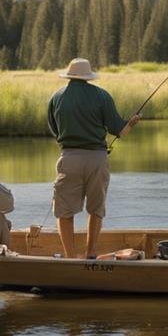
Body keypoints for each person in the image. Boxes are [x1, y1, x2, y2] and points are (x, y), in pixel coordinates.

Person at [48, 57, 139, 258]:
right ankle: (90, 254)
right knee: (96, 207)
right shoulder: (102, 96)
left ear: (70, 75)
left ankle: (70, 257)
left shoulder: (56, 98)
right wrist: (131, 123)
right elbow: (120, 131)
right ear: (88, 76)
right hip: (97, 159)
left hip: (69, 157)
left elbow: (54, 130)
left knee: (64, 210)